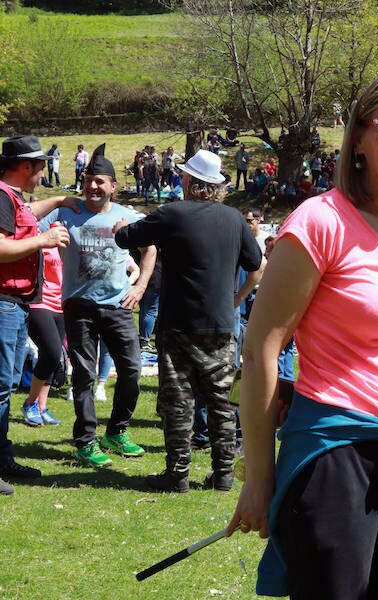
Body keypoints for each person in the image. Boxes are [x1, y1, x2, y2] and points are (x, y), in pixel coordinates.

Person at [227, 71, 378, 598]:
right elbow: (260, 350)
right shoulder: (319, 221)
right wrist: (260, 478)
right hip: (334, 452)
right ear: (360, 139)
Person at [115, 149, 263, 492]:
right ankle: (224, 474)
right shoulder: (235, 219)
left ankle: (177, 474)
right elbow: (256, 263)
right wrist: (237, 299)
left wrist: (123, 226)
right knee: (223, 402)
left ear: (189, 181)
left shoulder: (172, 213)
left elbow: (126, 238)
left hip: (179, 324)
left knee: (179, 401)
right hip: (221, 326)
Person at [40, 144, 156, 469]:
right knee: (84, 375)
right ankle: (86, 441)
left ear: (113, 186)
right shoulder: (67, 212)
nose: (92, 186)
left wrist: (141, 285)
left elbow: (151, 249)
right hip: (79, 306)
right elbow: (25, 217)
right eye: (88, 180)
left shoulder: (128, 216)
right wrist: (58, 200)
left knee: (132, 371)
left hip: (118, 306)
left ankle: (116, 432)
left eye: (100, 181)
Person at [0, 135, 73, 495]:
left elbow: (28, 216)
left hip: (15, 303)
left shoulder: (13, 198)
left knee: (5, 385)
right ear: (26, 166)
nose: (44, 171)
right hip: (3, 301)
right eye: (41, 165)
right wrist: (43, 242)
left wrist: (60, 200)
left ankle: (3, 459)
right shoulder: (1, 196)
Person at [19, 246, 65, 427]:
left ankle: (41, 406)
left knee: (53, 358)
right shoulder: (39, 233)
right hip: (39, 301)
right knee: (52, 352)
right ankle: (30, 402)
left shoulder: (70, 232)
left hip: (62, 304)